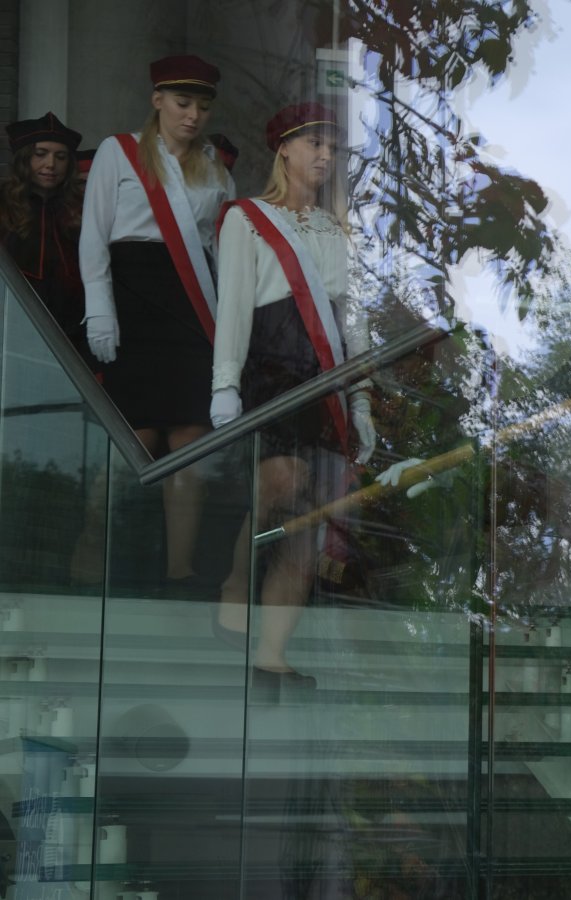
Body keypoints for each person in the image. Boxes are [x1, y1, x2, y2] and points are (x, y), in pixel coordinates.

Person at [210, 101, 375, 691]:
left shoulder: (338, 230)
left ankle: (272, 654)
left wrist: (361, 401)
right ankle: (235, 581)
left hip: (325, 379)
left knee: (312, 520)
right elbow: (232, 306)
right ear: (284, 149)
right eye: (314, 144)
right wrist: (225, 383)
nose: (326, 156)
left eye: (332, 147)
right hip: (271, 368)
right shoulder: (247, 219)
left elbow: (353, 324)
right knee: (278, 485)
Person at [79, 55, 235, 591]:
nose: (193, 115)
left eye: (203, 107)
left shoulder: (216, 167)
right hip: (132, 299)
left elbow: (223, 252)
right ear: (157, 100)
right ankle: (90, 557)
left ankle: (179, 573)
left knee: (190, 441)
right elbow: (94, 235)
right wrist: (99, 305)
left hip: (192, 306)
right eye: (183, 103)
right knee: (134, 438)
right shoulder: (118, 151)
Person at [0, 112, 87, 357]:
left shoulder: (81, 208)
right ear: (25, 158)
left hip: (70, 326)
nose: (51, 164)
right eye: (41, 154)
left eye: (60, 157)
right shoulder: (4, 203)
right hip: (11, 322)